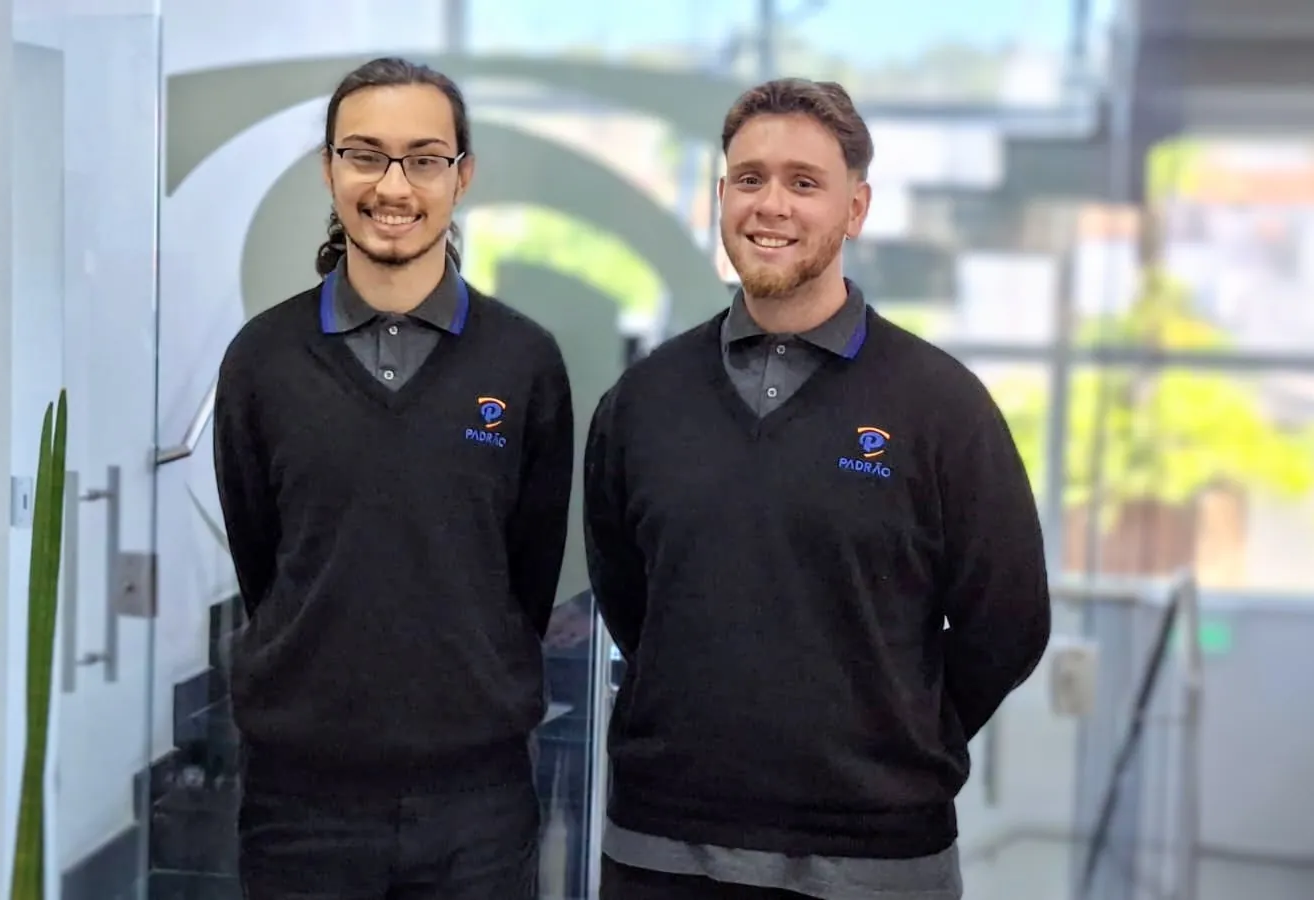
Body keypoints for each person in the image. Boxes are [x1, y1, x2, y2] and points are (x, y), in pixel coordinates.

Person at [582, 77, 1053, 900]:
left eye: (804, 182)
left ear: (855, 208)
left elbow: (1009, 622)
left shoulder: (942, 407)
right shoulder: (643, 401)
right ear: (721, 197)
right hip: (662, 848)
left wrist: (903, 735)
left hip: (874, 860)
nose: (772, 205)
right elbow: (631, 600)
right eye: (750, 179)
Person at [212, 56, 574, 899]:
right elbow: (264, 562)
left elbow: (528, 574)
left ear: (462, 176)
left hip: (478, 805)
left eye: (424, 159)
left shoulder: (523, 361)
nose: (393, 186)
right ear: (329, 168)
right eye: (365, 155)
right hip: (301, 805)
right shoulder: (262, 361)